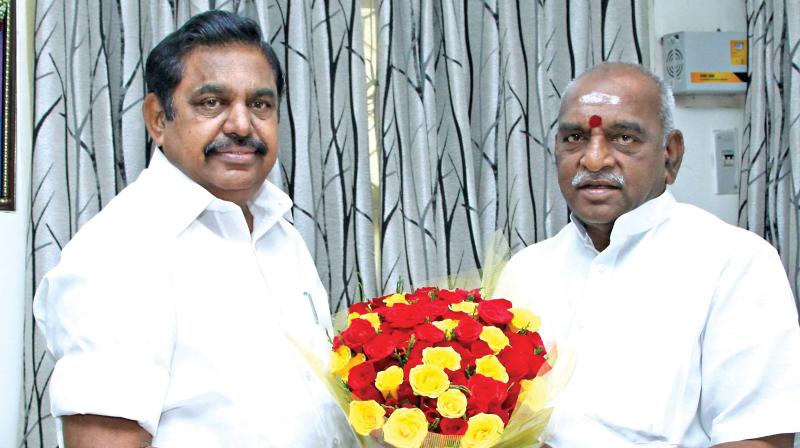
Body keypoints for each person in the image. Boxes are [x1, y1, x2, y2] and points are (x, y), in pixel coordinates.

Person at [33, 10, 357, 447]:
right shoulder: (120, 253)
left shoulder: (278, 230)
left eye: (260, 104)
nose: (242, 125)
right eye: (212, 103)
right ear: (158, 119)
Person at [494, 63, 800, 447]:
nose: (593, 160)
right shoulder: (527, 270)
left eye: (623, 137)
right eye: (574, 137)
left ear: (670, 155)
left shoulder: (734, 262)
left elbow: (758, 438)